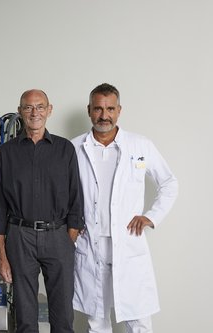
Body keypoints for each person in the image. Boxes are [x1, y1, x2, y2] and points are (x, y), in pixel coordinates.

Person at [72, 83, 179, 333]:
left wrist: (151, 217)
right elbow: (61, 193)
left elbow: (169, 182)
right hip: (90, 244)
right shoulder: (74, 148)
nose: (104, 115)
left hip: (128, 243)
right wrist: (72, 226)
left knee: (138, 317)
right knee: (97, 320)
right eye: (98, 109)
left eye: (110, 108)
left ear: (119, 110)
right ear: (89, 110)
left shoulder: (140, 145)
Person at [0, 89, 85, 333]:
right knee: (24, 316)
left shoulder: (65, 150)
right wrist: (2, 256)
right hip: (20, 237)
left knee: (63, 315)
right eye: (28, 107)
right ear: (20, 111)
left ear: (49, 110)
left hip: (59, 235)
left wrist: (69, 239)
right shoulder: (6, 153)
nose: (35, 112)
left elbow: (77, 197)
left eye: (40, 106)